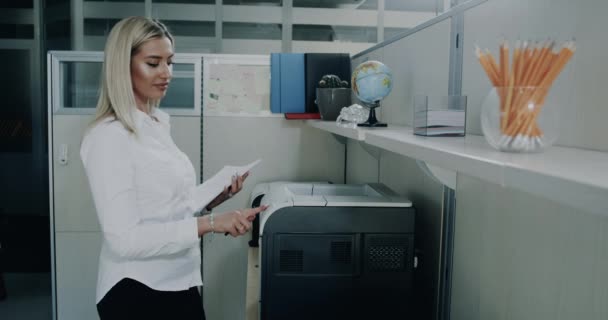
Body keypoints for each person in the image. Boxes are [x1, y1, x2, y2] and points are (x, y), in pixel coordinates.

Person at [79, 16, 267, 320]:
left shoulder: (155, 124)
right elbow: (124, 238)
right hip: (138, 291)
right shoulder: (109, 136)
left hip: (179, 281)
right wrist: (212, 223)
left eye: (170, 62)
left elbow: (163, 206)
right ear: (122, 66)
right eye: (153, 63)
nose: (166, 73)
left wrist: (214, 200)